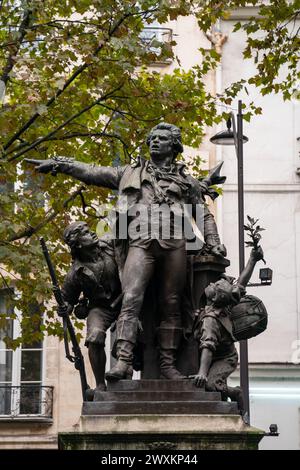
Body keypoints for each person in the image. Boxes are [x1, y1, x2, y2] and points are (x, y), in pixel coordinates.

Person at [26, 122, 226, 381]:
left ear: (174, 146)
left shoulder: (186, 182)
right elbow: (92, 171)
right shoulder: (129, 174)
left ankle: (167, 365)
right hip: (141, 244)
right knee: (131, 298)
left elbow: (203, 215)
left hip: (175, 245)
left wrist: (213, 240)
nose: (154, 141)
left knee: (172, 303)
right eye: (152, 137)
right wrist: (60, 164)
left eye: (162, 138)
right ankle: (124, 361)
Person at [191, 245, 265, 415]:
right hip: (216, 355)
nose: (210, 283)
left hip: (225, 358)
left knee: (210, 384)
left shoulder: (211, 320)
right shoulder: (227, 302)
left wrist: (202, 372)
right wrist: (253, 260)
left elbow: (208, 347)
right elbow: (241, 282)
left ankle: (236, 393)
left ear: (216, 297)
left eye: (214, 285)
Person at [58, 221, 121, 396]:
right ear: (77, 244)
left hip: (124, 300)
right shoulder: (75, 272)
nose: (92, 233)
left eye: (89, 229)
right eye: (85, 233)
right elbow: (67, 300)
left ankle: (125, 367)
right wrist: (64, 308)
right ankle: (100, 385)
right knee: (94, 338)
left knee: (130, 330)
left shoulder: (110, 244)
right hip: (100, 307)